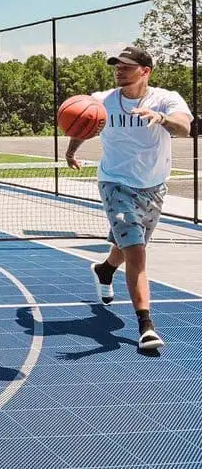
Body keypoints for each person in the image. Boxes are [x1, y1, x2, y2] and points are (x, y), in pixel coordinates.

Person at [66, 45, 193, 351]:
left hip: (153, 185)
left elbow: (185, 128)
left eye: (125, 66)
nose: (118, 70)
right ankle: (146, 325)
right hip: (115, 183)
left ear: (144, 71)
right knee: (136, 252)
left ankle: (105, 269)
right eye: (116, 66)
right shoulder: (102, 101)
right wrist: (71, 150)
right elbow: (85, 122)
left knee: (129, 247)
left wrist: (160, 118)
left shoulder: (166, 98)